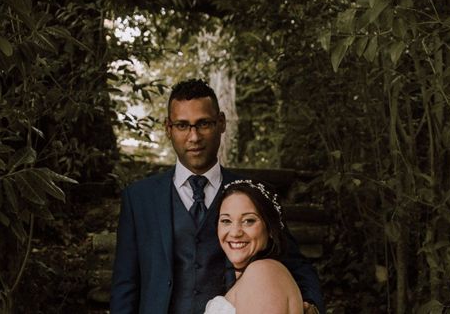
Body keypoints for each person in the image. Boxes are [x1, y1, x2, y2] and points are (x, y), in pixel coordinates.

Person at [110, 79, 324, 314]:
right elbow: (126, 284)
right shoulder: (139, 198)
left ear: (221, 123)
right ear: (168, 129)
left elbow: (295, 262)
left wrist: (310, 303)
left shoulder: (254, 193)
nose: (194, 137)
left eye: (203, 124)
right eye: (182, 126)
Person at [205, 180, 303, 314]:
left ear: (269, 229)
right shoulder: (254, 274)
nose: (235, 232)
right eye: (226, 221)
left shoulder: (262, 273)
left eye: (248, 221)